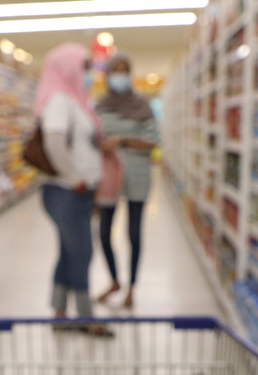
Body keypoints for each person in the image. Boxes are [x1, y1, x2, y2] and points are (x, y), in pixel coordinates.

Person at [35, 43, 111, 336]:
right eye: (84, 67)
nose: (88, 74)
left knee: (69, 252)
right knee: (82, 252)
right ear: (69, 68)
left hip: (77, 192)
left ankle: (59, 313)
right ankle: (86, 317)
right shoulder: (58, 101)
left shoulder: (76, 99)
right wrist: (76, 177)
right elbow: (54, 143)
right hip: (66, 192)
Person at [94, 53, 160, 309]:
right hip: (109, 177)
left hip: (138, 176)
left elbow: (153, 141)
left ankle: (132, 287)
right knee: (103, 232)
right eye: (115, 71)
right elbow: (94, 138)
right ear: (108, 75)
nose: (119, 75)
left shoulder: (143, 106)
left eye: (124, 70)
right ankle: (113, 280)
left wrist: (121, 140)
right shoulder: (100, 107)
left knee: (134, 234)